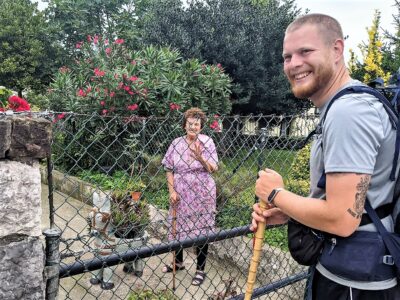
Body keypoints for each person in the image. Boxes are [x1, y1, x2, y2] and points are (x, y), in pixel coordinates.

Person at [251, 13, 400, 299]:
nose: (293, 64)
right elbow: (349, 204)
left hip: (353, 285)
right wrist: (290, 210)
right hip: (354, 272)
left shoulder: (349, 112)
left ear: (336, 50)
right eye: (287, 56)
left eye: (305, 51)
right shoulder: (346, 104)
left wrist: (275, 194)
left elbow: (342, 219)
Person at [161, 107, 218, 286]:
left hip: (202, 193)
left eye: (197, 124)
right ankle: (178, 262)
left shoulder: (207, 142)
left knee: (202, 230)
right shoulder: (176, 143)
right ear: (184, 125)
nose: (193, 127)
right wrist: (172, 191)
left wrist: (201, 158)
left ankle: (200, 270)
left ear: (201, 126)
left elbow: (213, 169)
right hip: (181, 193)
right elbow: (168, 168)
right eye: (190, 123)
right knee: (177, 227)